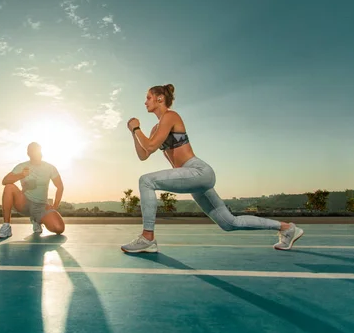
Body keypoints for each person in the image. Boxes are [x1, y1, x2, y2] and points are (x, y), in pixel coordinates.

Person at [121, 84, 304, 253]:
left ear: (160, 98)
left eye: (148, 97)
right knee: (229, 223)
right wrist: (133, 132)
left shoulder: (171, 116)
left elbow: (151, 146)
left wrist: (137, 128)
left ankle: (147, 238)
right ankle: (287, 228)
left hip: (197, 171)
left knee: (146, 181)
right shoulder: (154, 129)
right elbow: (143, 155)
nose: (145, 102)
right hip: (190, 177)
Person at [0, 142, 66, 239]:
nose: (37, 153)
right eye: (33, 151)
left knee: (59, 228)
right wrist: (22, 175)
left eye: (38, 151)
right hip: (24, 202)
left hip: (41, 206)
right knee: (9, 187)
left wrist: (55, 206)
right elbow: (5, 181)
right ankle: (6, 226)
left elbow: (60, 186)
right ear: (28, 153)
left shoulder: (50, 168)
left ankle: (36, 220)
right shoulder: (22, 166)